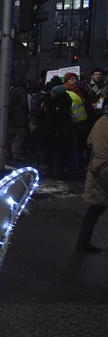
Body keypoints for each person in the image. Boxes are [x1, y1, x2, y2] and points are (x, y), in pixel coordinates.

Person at [76, 103, 108, 252]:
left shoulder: (100, 121)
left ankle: (83, 241)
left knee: (96, 206)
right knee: (97, 207)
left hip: (96, 166)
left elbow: (89, 142)